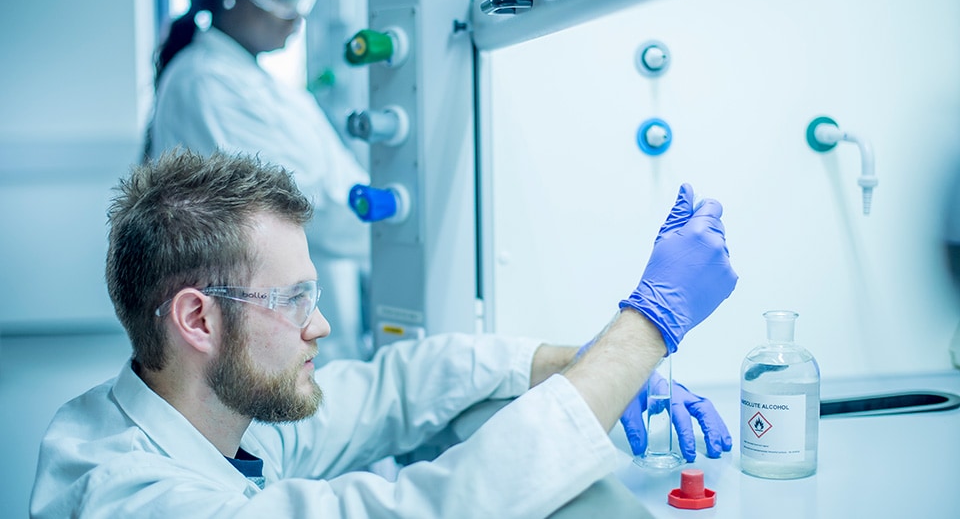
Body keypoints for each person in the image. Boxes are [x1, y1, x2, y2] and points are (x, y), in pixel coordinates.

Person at [29, 150, 738, 518]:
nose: (321, 324)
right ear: (198, 320)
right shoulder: (130, 497)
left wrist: (575, 364)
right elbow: (427, 508)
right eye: (295, 298)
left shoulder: (217, 415)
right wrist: (650, 322)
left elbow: (394, 388)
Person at [146, 0, 370, 361]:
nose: (297, 13)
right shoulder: (207, 84)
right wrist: (396, 226)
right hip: (261, 323)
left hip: (305, 310)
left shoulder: (255, 81)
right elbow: (295, 208)